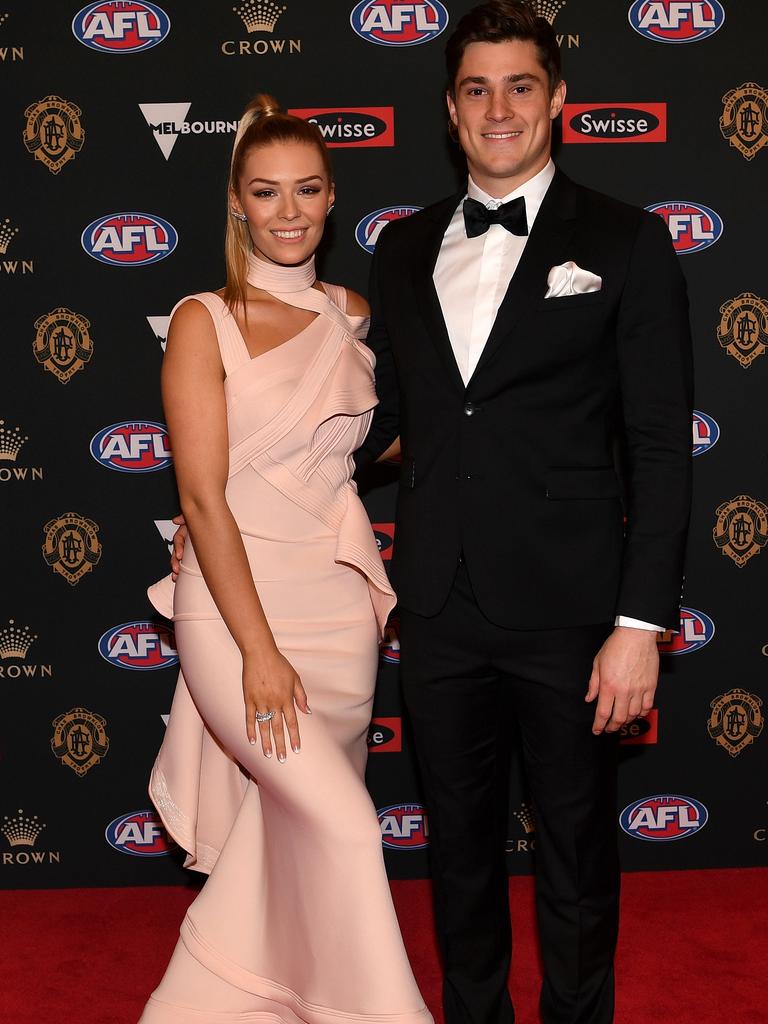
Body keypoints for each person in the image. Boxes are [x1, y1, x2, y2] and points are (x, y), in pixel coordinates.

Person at [354, 3, 693, 1024]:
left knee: (578, 852)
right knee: (457, 851)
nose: (497, 108)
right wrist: (240, 486)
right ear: (450, 112)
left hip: (572, 608)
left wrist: (639, 627)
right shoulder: (404, 249)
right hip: (442, 603)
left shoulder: (628, 242)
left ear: (557, 104)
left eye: (519, 86)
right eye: (474, 88)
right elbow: (385, 425)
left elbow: (659, 448)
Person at [139, 95, 432, 1024]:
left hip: (339, 606)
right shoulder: (201, 320)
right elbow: (202, 500)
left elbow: (352, 447)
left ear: (333, 195)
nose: (289, 210)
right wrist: (259, 649)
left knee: (287, 832)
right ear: (238, 203)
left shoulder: (353, 314)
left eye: (307, 189)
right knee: (345, 826)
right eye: (267, 193)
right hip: (237, 612)